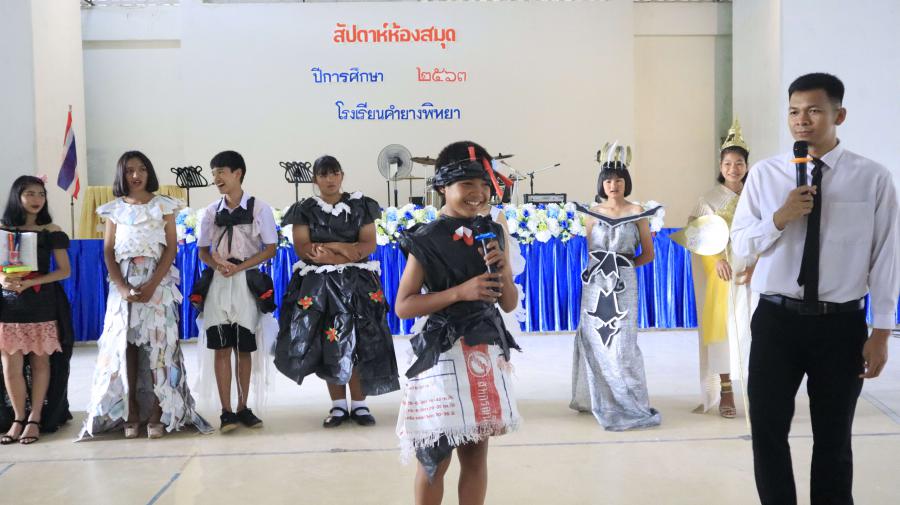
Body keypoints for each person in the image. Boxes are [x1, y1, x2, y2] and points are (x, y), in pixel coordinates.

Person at [731, 72, 899, 505]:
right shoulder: (765, 175)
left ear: (838, 115)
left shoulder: (872, 178)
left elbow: (885, 258)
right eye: (793, 112)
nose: (801, 120)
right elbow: (741, 245)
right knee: (767, 431)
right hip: (776, 321)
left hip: (840, 326)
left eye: (813, 111)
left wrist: (881, 331)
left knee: (834, 438)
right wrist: (780, 217)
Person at [395, 141, 521, 505]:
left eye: (484, 185)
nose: (478, 193)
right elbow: (404, 306)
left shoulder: (493, 232)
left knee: (476, 455)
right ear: (442, 187)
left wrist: (502, 271)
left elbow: (508, 303)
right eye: (466, 184)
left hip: (483, 351)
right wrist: (460, 292)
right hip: (442, 354)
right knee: (434, 459)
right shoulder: (427, 238)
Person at [79, 151, 211, 440]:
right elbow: (108, 251)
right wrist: (122, 287)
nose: (136, 175)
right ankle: (131, 410)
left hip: (157, 282)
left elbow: (171, 248)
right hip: (124, 282)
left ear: (149, 172)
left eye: (141, 169)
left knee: (158, 344)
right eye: (129, 170)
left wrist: (152, 284)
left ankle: (157, 411)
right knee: (126, 345)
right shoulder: (114, 209)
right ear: (122, 175)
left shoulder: (163, 205)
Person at [274, 155, 399, 427]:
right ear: (315, 179)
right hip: (318, 286)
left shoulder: (361, 205)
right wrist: (344, 250)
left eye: (334, 173)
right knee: (329, 340)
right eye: (323, 175)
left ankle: (360, 404)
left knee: (361, 340)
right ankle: (338, 405)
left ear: (342, 175)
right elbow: (303, 248)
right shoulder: (304, 209)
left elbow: (367, 245)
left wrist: (332, 250)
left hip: (358, 285)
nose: (329, 179)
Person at [571, 143, 662, 431]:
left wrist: (624, 267)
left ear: (626, 183)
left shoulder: (638, 211)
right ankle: (599, 396)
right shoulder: (592, 212)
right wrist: (601, 270)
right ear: (602, 183)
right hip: (596, 282)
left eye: (619, 180)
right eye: (608, 180)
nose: (613, 185)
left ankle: (629, 400)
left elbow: (648, 253)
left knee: (622, 343)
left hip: (624, 282)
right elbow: (591, 250)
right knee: (594, 337)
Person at [195, 150, 278, 432]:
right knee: (221, 347)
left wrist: (240, 267)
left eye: (221, 171)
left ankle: (243, 407)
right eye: (213, 173)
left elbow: (270, 249)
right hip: (219, 283)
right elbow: (203, 251)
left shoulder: (259, 208)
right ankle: (226, 411)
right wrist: (218, 265)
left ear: (237, 173)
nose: (216, 178)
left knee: (244, 347)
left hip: (246, 282)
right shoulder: (210, 212)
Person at [688, 120, 757, 418]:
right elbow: (696, 235)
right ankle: (726, 389)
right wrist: (716, 260)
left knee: (755, 330)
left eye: (739, 163)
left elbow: (769, 233)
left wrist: (758, 265)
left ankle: (756, 389)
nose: (733, 168)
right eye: (728, 163)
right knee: (723, 331)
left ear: (746, 166)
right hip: (723, 275)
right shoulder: (709, 199)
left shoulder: (756, 196)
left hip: (753, 273)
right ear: (720, 166)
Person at [0, 175, 73, 445]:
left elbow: (64, 271)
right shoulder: (3, 229)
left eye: (41, 194)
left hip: (41, 304)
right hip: (8, 305)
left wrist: (33, 282)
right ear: (17, 196)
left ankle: (35, 417)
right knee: (11, 366)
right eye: (30, 193)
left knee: (41, 362)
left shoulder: (51, 230)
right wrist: (2, 279)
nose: (36, 199)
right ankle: (18, 418)